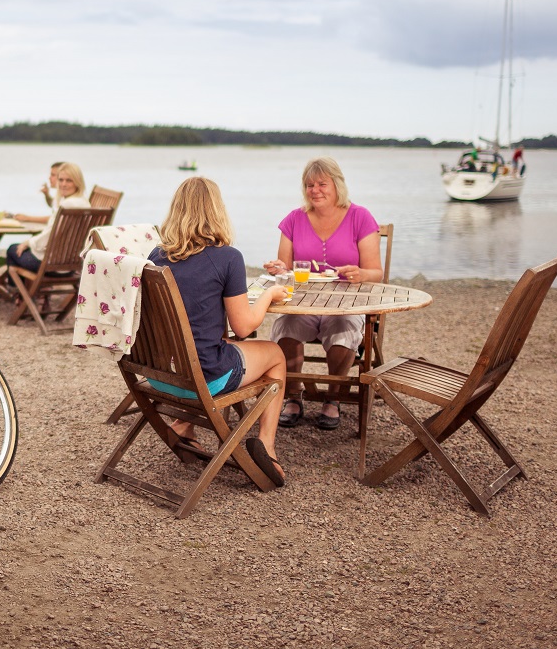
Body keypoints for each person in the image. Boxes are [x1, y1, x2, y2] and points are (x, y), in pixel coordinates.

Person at [147, 177, 290, 485]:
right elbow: (244, 327)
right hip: (205, 381)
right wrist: (269, 295)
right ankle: (266, 444)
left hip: (161, 377)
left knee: (212, 343)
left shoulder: (155, 257)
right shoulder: (228, 257)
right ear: (216, 210)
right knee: (276, 354)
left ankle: (183, 425)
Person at [263, 157, 383, 431]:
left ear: (337, 185)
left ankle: (333, 397)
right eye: (309, 185)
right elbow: (286, 270)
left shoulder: (360, 217)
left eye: (321, 184)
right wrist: (279, 268)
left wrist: (361, 274)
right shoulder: (294, 219)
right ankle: (293, 396)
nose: (315, 190)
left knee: (343, 329)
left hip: (345, 302)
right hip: (303, 303)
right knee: (286, 326)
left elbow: (376, 272)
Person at [7, 162, 89, 272]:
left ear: (77, 182)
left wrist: (28, 243)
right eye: (61, 180)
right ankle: (22, 281)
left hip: (53, 265)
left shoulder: (68, 205)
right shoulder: (83, 202)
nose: (63, 184)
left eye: (69, 180)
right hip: (72, 264)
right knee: (20, 250)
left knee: (13, 249)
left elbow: (50, 234)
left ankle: (16, 283)